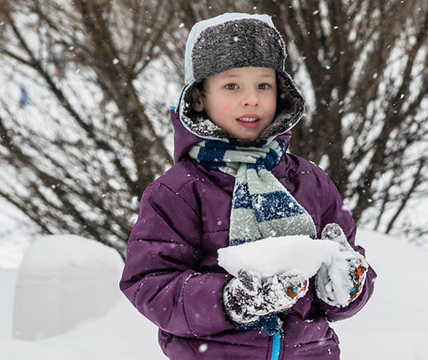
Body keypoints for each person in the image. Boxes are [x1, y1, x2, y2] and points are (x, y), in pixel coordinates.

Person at [120, 12, 376, 360]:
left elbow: (347, 275)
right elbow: (150, 283)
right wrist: (229, 299)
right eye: (232, 85)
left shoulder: (309, 182)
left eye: (263, 85)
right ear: (198, 99)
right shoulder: (179, 191)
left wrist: (346, 285)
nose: (251, 99)